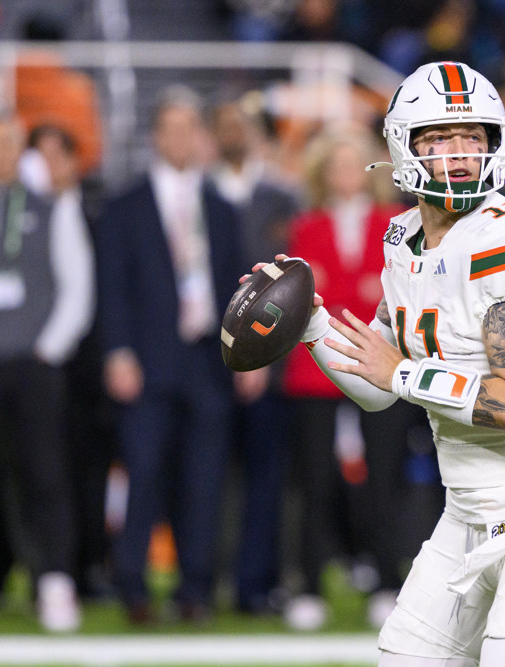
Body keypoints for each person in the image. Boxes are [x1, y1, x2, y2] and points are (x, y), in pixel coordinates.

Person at [245, 61, 505, 666]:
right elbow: (377, 390)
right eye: (440, 138)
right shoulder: (401, 237)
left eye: (473, 137)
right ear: (402, 145)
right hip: (466, 514)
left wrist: (403, 372)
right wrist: (311, 326)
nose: (461, 153)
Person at [97, 85, 265, 625]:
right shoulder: (125, 205)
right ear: (155, 136)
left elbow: (241, 286)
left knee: (205, 477)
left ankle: (196, 588)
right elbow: (112, 287)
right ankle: (133, 586)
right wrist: (117, 350)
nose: (180, 138)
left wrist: (249, 356)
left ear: (200, 136)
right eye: (170, 128)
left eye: (189, 128)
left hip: (207, 362)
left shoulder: (218, 206)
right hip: (147, 359)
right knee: (143, 472)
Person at [0, 109, 94, 632]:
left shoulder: (53, 208)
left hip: (34, 363)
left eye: (9, 144)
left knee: (45, 473)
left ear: (20, 150)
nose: (1, 154)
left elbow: (76, 283)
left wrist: (50, 347)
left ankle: (54, 581)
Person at [278, 123, 407, 631]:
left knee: (385, 478)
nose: (347, 175)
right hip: (314, 372)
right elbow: (308, 297)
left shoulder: (395, 223)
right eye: (338, 166)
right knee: (313, 483)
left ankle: (386, 582)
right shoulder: (306, 225)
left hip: (380, 364)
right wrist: (355, 288)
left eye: (355, 165)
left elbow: (383, 293)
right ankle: (309, 586)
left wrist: (348, 289)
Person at [209, 99, 299, 615]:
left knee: (267, 478)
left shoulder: (283, 197)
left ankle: (257, 583)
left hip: (271, 359)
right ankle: (203, 577)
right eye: (224, 124)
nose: (233, 133)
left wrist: (262, 359)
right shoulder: (199, 193)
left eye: (240, 125)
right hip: (205, 361)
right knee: (207, 474)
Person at [27, 123, 115, 600]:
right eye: (38, 157)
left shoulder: (99, 210)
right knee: (37, 467)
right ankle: (38, 568)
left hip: (91, 363)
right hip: (32, 361)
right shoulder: (20, 213)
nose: (48, 167)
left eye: (56, 156)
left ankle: (90, 565)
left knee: (90, 466)